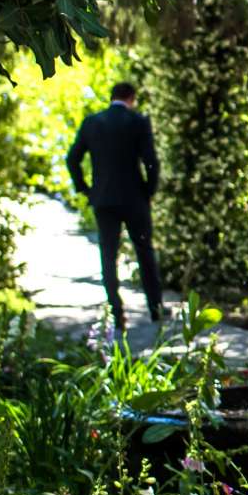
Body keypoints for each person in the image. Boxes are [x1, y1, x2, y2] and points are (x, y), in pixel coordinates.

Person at [66, 82, 164, 330]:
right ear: (132, 98)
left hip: (104, 198)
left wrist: (85, 189)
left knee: (108, 255)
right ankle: (156, 308)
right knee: (144, 251)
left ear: (112, 97)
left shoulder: (92, 122)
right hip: (134, 198)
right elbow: (151, 161)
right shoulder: (138, 122)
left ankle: (116, 311)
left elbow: (72, 159)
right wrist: (149, 191)